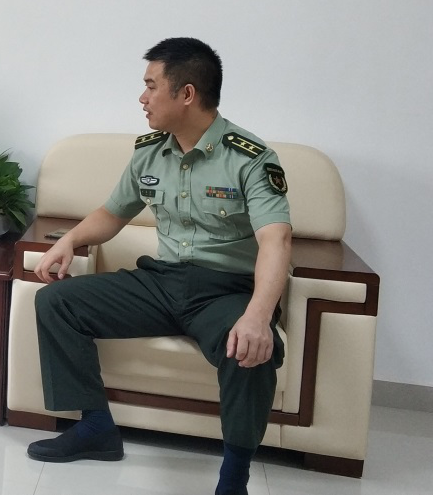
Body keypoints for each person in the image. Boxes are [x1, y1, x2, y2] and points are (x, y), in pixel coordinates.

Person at [26, 37, 291, 495]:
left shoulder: (249, 157)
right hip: (161, 282)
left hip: (225, 290)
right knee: (56, 302)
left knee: (247, 347)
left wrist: (258, 315)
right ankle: (95, 427)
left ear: (186, 93)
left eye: (151, 86)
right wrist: (69, 240)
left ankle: (234, 478)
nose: (142, 98)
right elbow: (112, 213)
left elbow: (276, 239)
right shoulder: (150, 151)